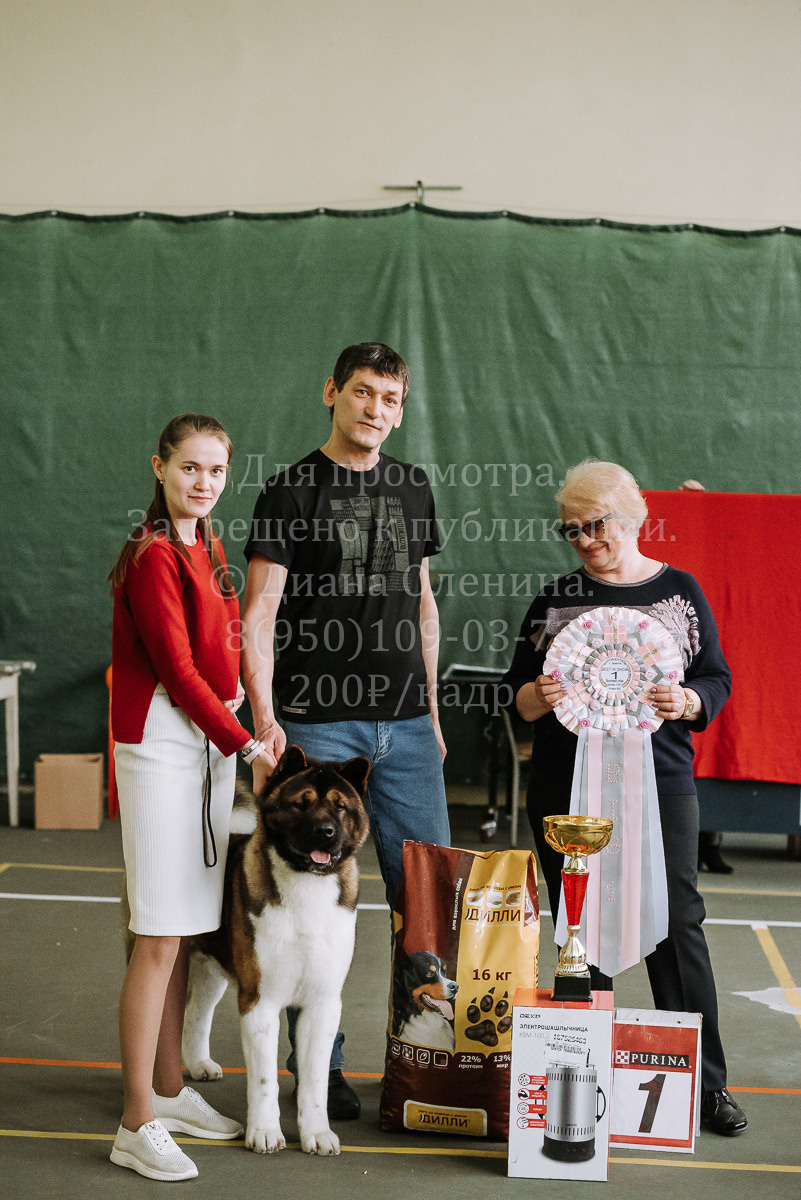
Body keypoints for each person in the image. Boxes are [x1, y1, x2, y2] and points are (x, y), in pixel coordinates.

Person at [503, 459, 747, 1137]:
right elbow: (515, 695)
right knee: (577, 932)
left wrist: (690, 698)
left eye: (594, 522)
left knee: (677, 926)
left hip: (661, 784)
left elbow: (716, 678)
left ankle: (705, 1086)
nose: (583, 537)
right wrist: (537, 696)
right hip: (565, 787)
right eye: (570, 528)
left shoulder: (681, 591)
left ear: (633, 514)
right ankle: (582, 1084)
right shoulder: (552, 599)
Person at [240, 342, 450, 1119]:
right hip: (318, 726)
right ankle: (318, 1072)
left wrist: (429, 711)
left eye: (391, 399)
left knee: (426, 906)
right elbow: (257, 614)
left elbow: (423, 606)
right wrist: (264, 723)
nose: (376, 410)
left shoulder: (413, 488)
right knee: (313, 910)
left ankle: (425, 1066)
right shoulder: (291, 490)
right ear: (332, 393)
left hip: (405, 732)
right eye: (363, 393)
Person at [108, 414, 274, 1181]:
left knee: (182, 928)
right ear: (159, 467)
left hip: (208, 747)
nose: (203, 482)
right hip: (160, 750)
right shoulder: (150, 555)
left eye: (215, 471)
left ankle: (170, 1090)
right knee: (158, 937)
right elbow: (176, 669)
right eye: (189, 469)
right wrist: (246, 746)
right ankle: (135, 1118)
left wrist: (247, 725)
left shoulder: (205, 545)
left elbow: (224, 654)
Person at [678, 478, 733, 874]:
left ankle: (710, 844)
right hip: (678, 674)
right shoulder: (679, 583)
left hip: (704, 679)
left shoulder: (719, 568)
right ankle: (700, 844)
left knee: (718, 752)